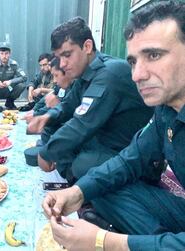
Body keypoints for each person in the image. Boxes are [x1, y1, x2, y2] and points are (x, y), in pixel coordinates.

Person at [42, 1, 185, 250]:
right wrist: (76, 193)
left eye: (154, 55)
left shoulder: (109, 74)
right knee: (96, 184)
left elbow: (82, 125)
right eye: (133, 61)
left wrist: (105, 242)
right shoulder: (166, 109)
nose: (137, 75)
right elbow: (130, 159)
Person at [28, 17, 153, 183]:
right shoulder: (86, 73)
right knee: (60, 140)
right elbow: (68, 105)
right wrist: (47, 117)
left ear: (87, 46)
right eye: (59, 58)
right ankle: (82, 183)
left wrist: (47, 153)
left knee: (82, 164)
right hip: (103, 140)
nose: (63, 64)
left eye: (67, 55)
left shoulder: (109, 73)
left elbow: (82, 124)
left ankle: (87, 191)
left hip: (130, 153)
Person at [23, 57, 73, 123]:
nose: (55, 80)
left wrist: (40, 116)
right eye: (40, 65)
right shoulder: (43, 74)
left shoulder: (74, 88)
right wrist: (34, 111)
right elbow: (49, 96)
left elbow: (62, 107)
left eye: (56, 75)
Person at [0, 42, 27, 110]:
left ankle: (10, 102)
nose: (4, 56)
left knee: (22, 85)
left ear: (10, 54)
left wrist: (11, 81)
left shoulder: (14, 64)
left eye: (6, 53)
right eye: (2, 53)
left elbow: (24, 77)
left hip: (8, 89)